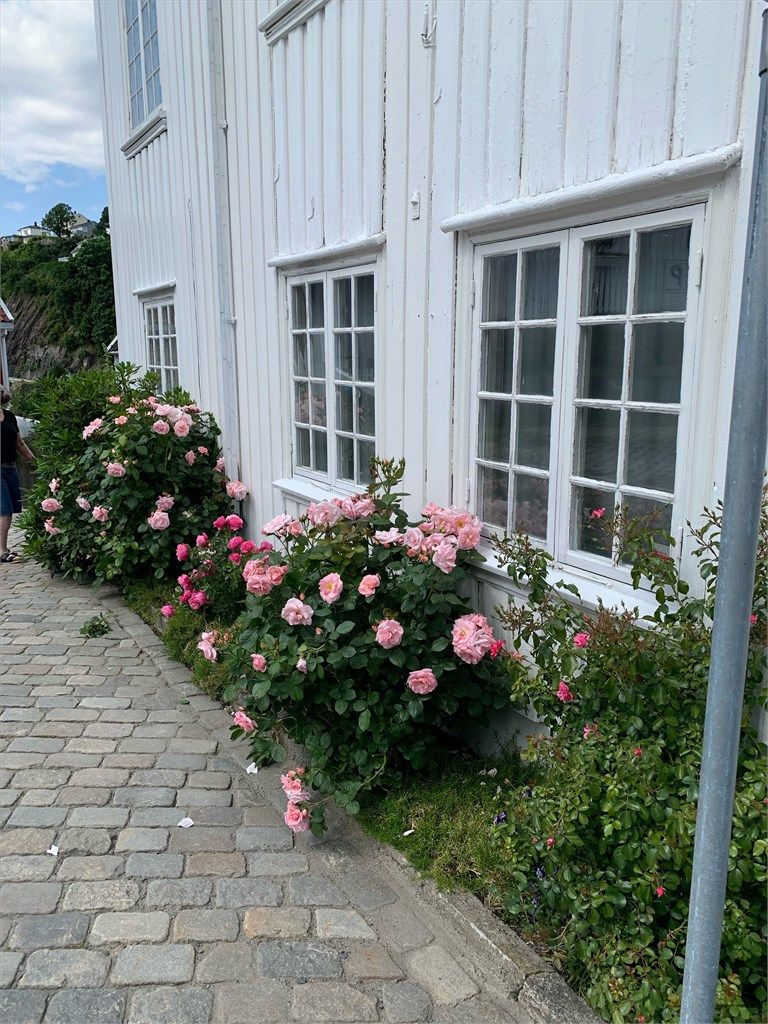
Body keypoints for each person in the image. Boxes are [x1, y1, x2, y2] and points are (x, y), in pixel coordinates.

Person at [1, 388, 35, 563]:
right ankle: (2, 551)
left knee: (10, 509)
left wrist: (34, 462)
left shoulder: (9, 416)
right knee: (5, 510)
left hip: (11, 468)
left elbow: (19, 443)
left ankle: (4, 548)